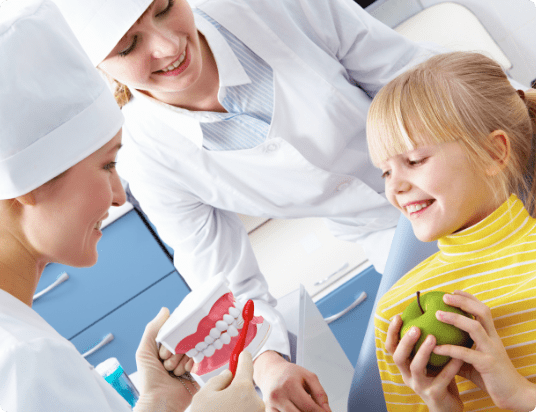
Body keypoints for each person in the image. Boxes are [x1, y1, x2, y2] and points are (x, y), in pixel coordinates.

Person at [51, 0, 444, 408]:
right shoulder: (147, 155)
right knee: (395, 390)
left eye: (164, 7)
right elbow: (224, 281)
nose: (168, 46)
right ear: (97, 68)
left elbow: (415, 80)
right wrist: (268, 363)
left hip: (457, 170)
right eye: (129, 45)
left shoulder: (263, 7)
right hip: (385, 237)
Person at [0, 1, 263, 411]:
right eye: (107, 165)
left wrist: (158, 402)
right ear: (29, 181)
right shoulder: (25, 359)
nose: (119, 195)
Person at [365, 51, 536, 411]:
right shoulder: (395, 312)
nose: (395, 187)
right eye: (386, 171)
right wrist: (443, 406)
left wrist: (521, 397)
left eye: (414, 160)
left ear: (493, 152)